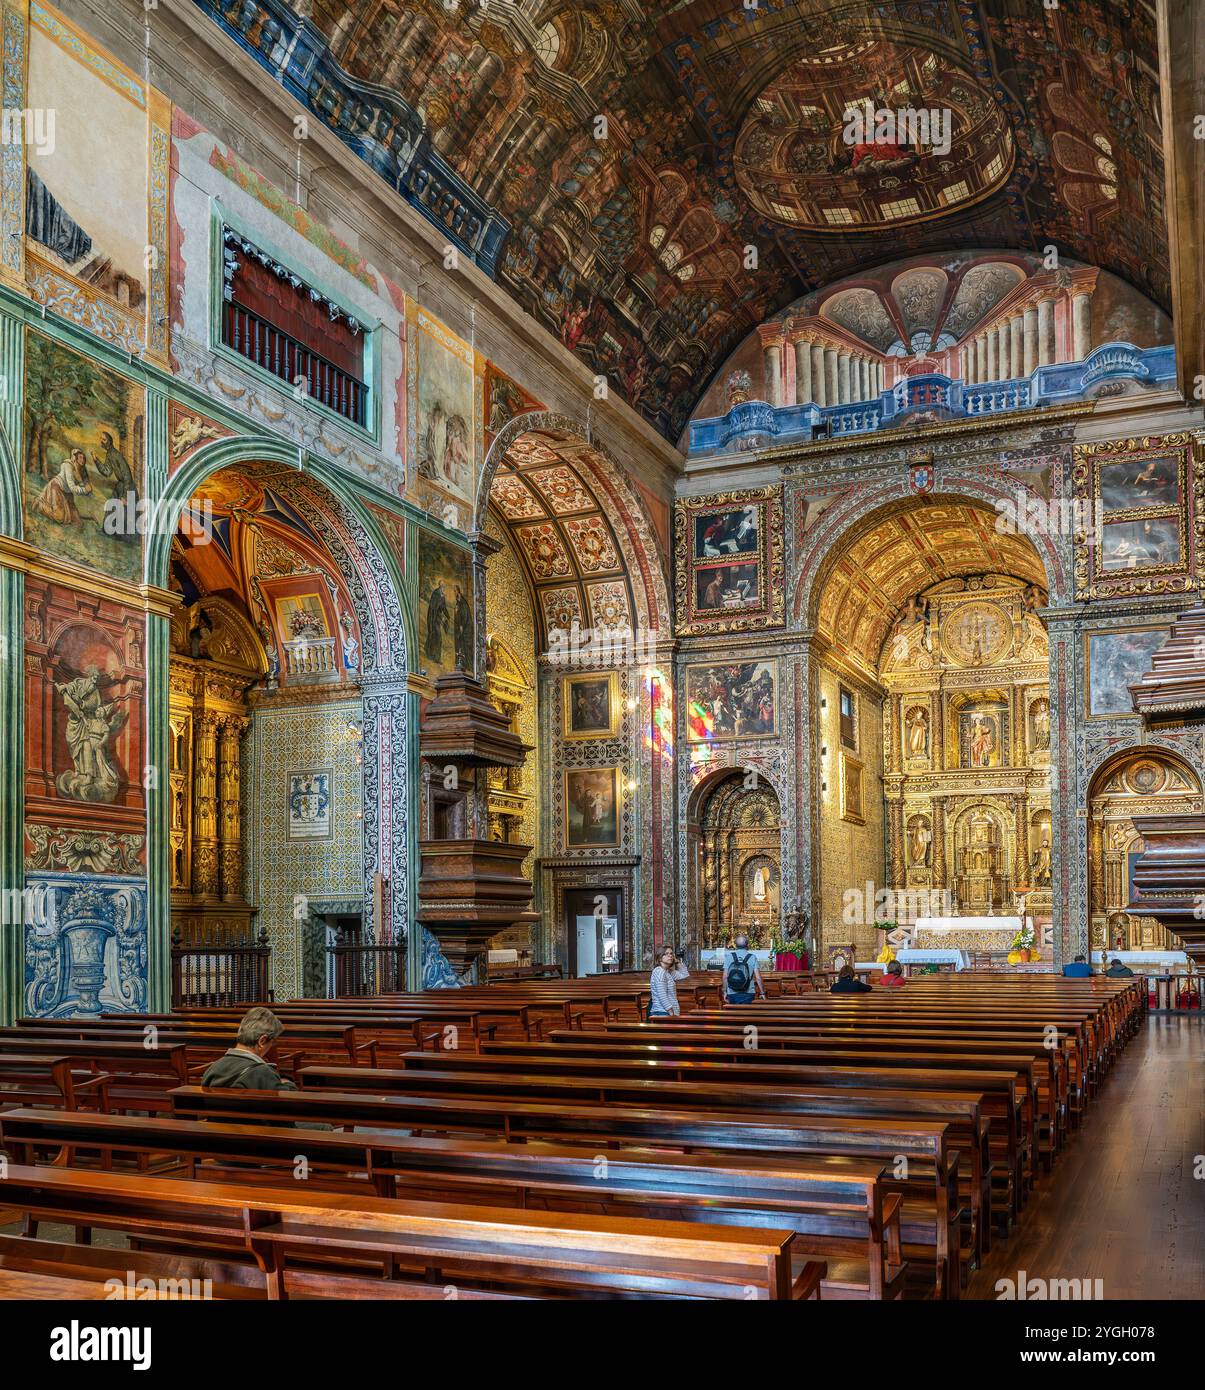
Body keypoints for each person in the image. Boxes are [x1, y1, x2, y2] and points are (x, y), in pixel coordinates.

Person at [200, 1007, 298, 1089]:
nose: (272, 1046)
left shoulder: (213, 1068)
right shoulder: (263, 1073)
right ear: (262, 1041)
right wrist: (287, 1082)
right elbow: (291, 1102)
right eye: (273, 1042)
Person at [722, 933, 765, 1004]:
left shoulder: (729, 957)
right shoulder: (752, 957)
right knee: (747, 1014)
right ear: (747, 944)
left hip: (732, 992)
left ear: (735, 945)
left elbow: (725, 977)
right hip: (748, 992)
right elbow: (758, 978)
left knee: (733, 1014)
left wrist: (724, 991)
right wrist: (762, 993)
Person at [649, 946, 689, 1017]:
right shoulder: (659, 971)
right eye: (666, 954)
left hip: (667, 1012)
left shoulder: (668, 972)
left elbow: (685, 975)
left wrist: (677, 962)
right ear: (660, 957)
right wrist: (671, 1012)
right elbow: (662, 994)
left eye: (671, 953)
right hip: (662, 1013)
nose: (670, 955)